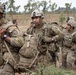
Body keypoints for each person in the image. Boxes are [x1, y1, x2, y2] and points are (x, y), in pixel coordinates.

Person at [0, 3, 24, 75]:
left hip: (8, 58)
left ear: (1, 14)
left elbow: (20, 42)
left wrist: (4, 37)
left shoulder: (9, 26)